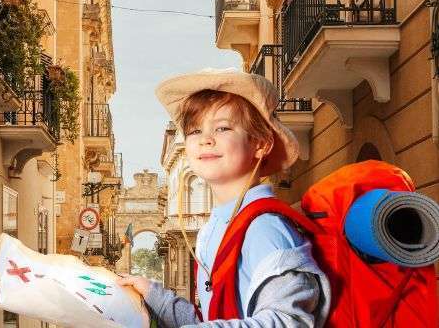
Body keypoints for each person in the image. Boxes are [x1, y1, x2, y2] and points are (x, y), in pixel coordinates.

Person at [118, 68, 331, 327]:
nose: (206, 139)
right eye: (195, 131)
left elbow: (289, 321)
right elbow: (213, 320)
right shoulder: (217, 226)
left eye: (222, 128)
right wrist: (154, 295)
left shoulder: (264, 228)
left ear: (261, 144)